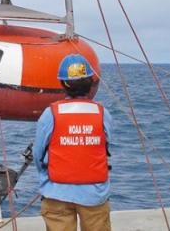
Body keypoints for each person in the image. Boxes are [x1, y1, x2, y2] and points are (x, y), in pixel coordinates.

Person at [33, 54, 112, 231]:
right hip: (94, 194)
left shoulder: (50, 114)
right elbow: (106, 145)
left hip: (56, 193)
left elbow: (38, 155)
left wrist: (48, 177)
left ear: (62, 84)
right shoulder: (102, 113)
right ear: (91, 82)